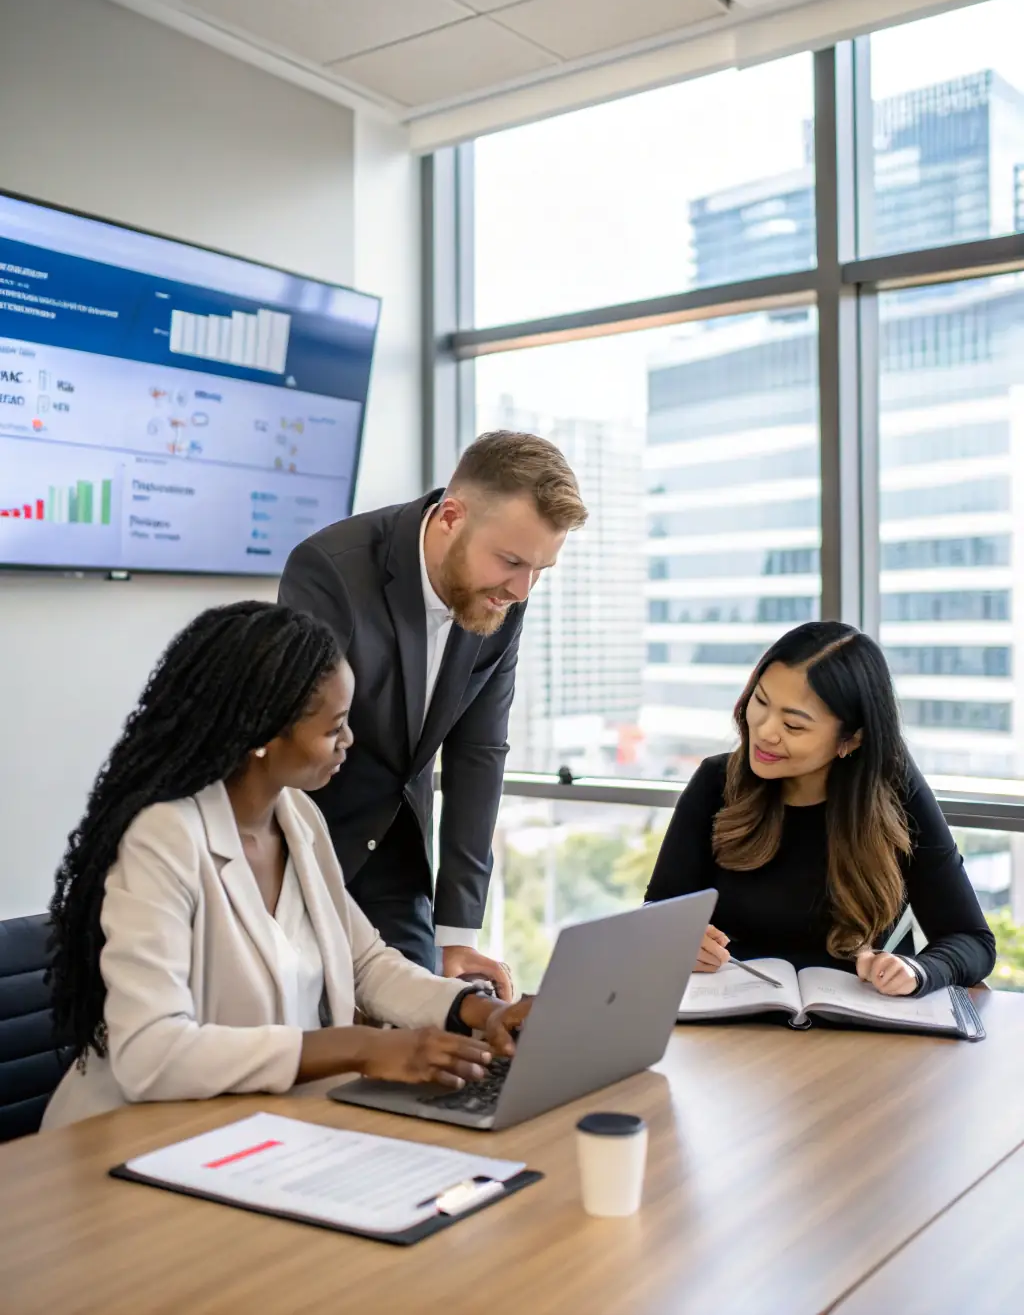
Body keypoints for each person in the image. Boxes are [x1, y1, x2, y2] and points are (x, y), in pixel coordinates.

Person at [43, 602, 532, 1130]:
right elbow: (151, 1054)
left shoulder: (296, 816)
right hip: (131, 1135)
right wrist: (358, 1047)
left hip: (255, 1125)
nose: (348, 742)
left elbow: (366, 964)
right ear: (262, 735)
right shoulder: (162, 840)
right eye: (334, 728)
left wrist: (482, 1012)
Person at [278, 431, 588, 996]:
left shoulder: (503, 598)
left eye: (540, 569)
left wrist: (459, 932)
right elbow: (294, 737)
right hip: (307, 848)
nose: (521, 589)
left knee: (428, 1036)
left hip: (399, 859)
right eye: (512, 561)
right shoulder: (332, 570)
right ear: (451, 516)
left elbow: (479, 753)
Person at [646, 622, 995, 997]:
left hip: (856, 1032)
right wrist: (679, 939)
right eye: (760, 702)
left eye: (794, 724)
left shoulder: (895, 792)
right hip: (732, 1024)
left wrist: (918, 970)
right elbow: (658, 913)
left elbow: (971, 940)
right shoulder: (716, 782)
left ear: (852, 738)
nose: (765, 731)